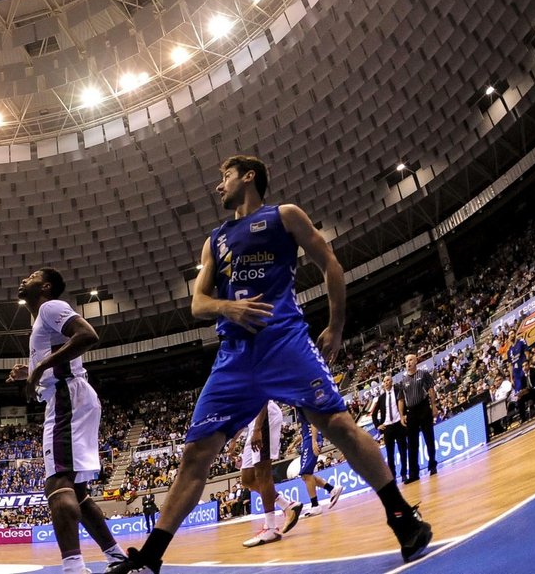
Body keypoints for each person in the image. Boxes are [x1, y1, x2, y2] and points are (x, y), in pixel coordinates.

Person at [110, 155, 433, 573]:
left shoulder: (285, 216)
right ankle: (150, 558)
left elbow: (330, 264)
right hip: (235, 359)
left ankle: (402, 517)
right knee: (195, 455)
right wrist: (230, 307)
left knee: (339, 426)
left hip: (285, 343)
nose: (217, 186)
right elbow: (198, 303)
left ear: (249, 177)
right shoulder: (215, 239)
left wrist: (335, 326)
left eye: (223, 176)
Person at [6, 268, 128, 574]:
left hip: (66, 398)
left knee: (57, 483)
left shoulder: (50, 306)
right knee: (78, 491)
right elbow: (59, 354)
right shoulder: (39, 319)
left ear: (45, 286)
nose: (25, 277)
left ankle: (73, 567)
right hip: (69, 397)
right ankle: (117, 557)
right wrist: (32, 368)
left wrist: (39, 369)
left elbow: (88, 335)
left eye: (32, 275)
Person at [236, 402, 295, 547]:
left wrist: (257, 428)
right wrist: (233, 440)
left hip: (264, 416)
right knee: (247, 479)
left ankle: (271, 528)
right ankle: (287, 505)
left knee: (262, 472)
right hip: (252, 421)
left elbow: (262, 393)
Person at [288, 408, 341, 525]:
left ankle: (315, 505)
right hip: (308, 439)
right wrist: (294, 443)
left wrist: (313, 441)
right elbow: (305, 430)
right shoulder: (297, 408)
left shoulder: (301, 403)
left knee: (306, 474)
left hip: (311, 440)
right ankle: (332, 489)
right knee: (306, 475)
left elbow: (314, 422)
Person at [400, 353, 436, 482]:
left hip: (424, 407)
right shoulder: (403, 380)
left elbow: (431, 389)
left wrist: (434, 406)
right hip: (411, 412)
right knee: (412, 444)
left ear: (416, 361)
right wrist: (402, 414)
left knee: (429, 437)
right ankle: (414, 474)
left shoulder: (424, 373)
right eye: (406, 361)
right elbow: (401, 399)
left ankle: (432, 464)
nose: (408, 363)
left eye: (410, 360)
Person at [370, 378, 408, 478]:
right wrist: (378, 425)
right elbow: (373, 414)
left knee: (403, 450)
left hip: (398, 424)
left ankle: (404, 473)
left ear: (392, 382)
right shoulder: (381, 398)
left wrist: (404, 415)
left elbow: (405, 404)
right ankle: (393, 475)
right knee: (390, 453)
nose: (386, 383)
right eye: (384, 381)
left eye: (388, 381)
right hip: (387, 428)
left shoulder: (398, 392)